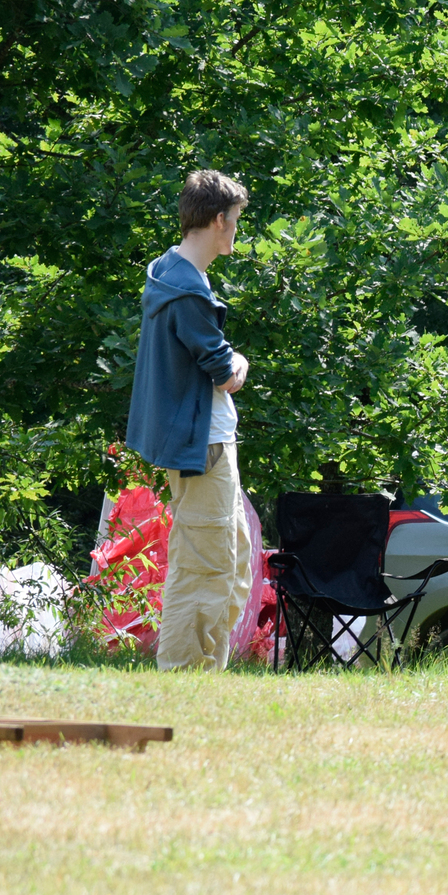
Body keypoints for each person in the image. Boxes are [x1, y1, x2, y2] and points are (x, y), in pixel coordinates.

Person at [125, 169, 255, 671]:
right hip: (204, 446)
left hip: (206, 442)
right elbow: (225, 373)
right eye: (236, 219)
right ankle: (182, 674)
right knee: (204, 567)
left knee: (232, 560)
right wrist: (239, 361)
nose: (237, 229)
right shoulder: (187, 291)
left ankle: (205, 672)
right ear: (219, 220)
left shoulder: (171, 271)